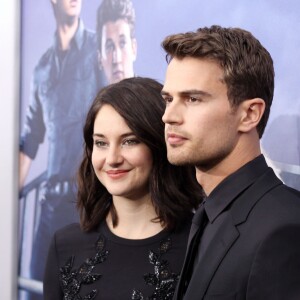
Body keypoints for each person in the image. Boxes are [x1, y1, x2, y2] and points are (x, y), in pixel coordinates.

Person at [161, 25, 300, 299]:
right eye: (168, 99)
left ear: (249, 114)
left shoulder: (286, 227)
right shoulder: (209, 214)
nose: (169, 116)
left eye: (192, 99)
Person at [43, 77, 203, 299]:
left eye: (129, 141)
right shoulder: (65, 245)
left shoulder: (201, 246)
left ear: (160, 143)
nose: (112, 159)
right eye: (101, 143)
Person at [19, 0, 102, 297]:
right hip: (50, 204)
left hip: (88, 202)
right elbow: (31, 137)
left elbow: (114, 116)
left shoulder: (98, 49)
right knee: (34, 289)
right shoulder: (42, 68)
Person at [96, 0, 137, 84]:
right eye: (109, 47)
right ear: (99, 58)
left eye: (122, 43)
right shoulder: (93, 97)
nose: (117, 59)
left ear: (134, 49)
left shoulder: (154, 96)